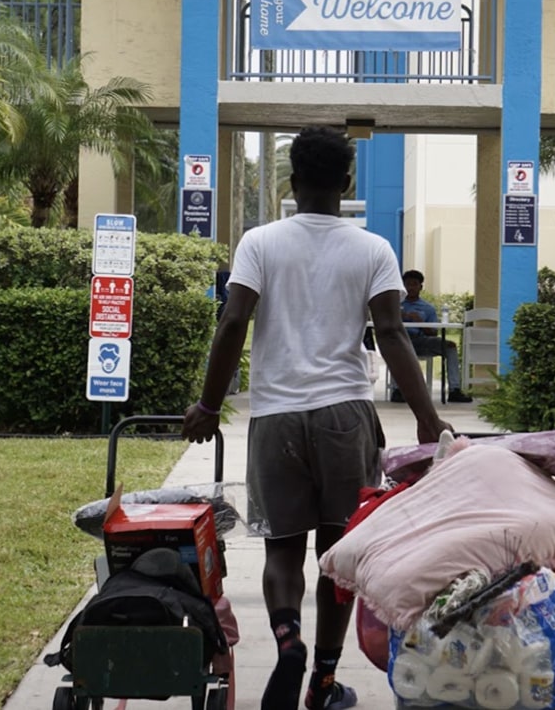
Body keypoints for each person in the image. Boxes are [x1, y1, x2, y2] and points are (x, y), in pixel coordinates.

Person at [182, 126, 447, 710]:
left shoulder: (259, 242)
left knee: (282, 549)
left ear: (293, 181)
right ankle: (323, 683)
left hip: (276, 416)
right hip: (346, 417)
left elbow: (232, 324)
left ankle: (287, 640)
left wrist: (207, 404)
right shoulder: (374, 249)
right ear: (347, 182)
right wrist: (427, 418)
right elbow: (392, 333)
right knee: (337, 553)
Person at [394, 269, 468, 404]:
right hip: (401, 341)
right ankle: (398, 390)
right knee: (394, 347)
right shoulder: (395, 305)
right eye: (407, 284)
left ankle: (454, 390)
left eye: (414, 284)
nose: (410, 288)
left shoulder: (427, 308)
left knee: (450, 346)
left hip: (421, 341)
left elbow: (434, 333)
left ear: (420, 287)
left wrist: (419, 322)